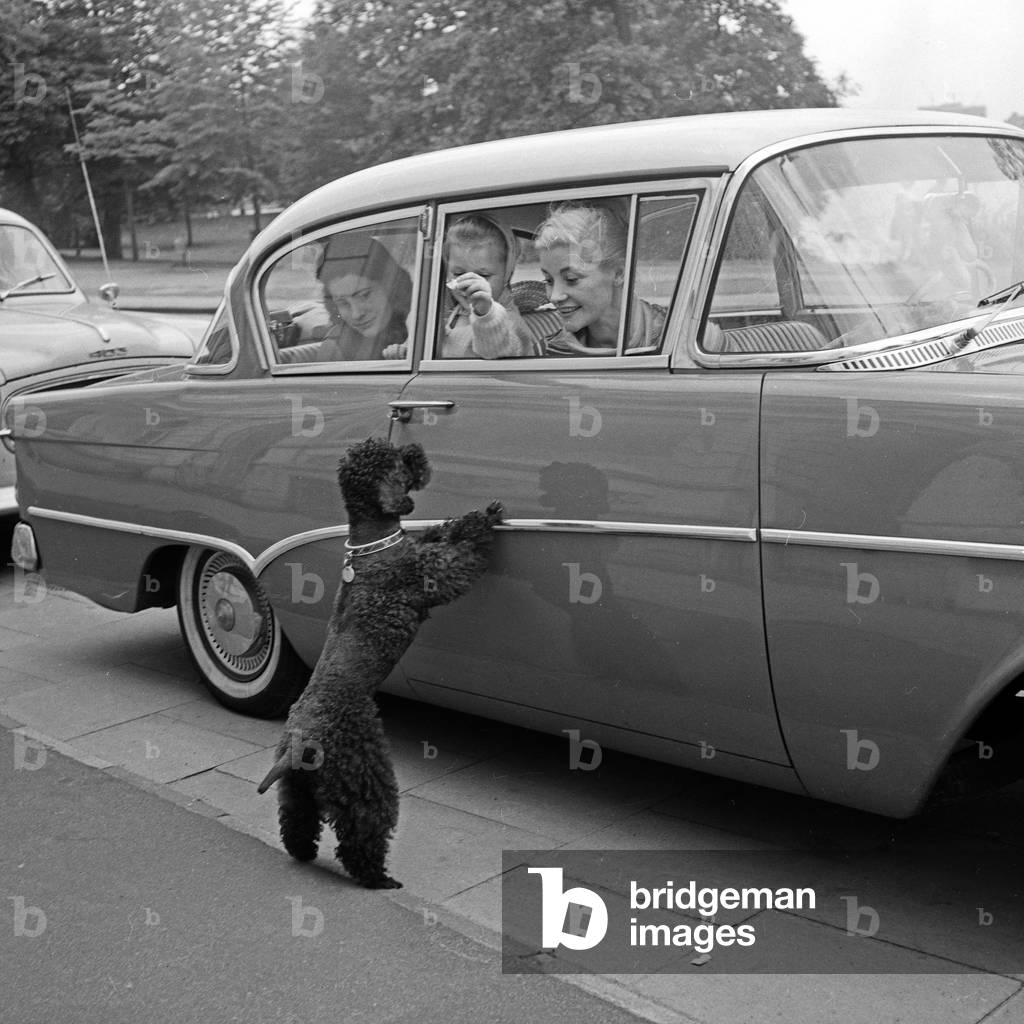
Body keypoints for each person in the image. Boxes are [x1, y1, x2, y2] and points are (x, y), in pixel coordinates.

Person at [533, 202, 666, 356]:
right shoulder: (546, 352)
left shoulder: (677, 334)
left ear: (620, 273)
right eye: (548, 281)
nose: (554, 296)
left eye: (571, 279)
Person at [280, 233, 412, 362]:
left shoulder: (422, 325)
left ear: (392, 288)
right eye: (343, 303)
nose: (356, 314)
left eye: (364, 295)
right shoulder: (336, 348)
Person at [438, 213, 549, 358]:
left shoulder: (510, 322)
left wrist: (486, 314)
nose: (469, 285)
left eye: (483, 276)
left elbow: (496, 347)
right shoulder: (450, 314)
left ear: (506, 274)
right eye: (458, 274)